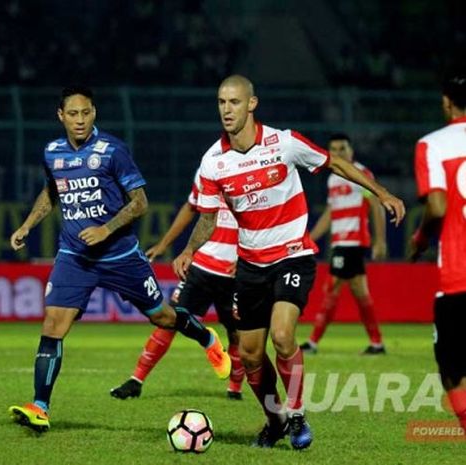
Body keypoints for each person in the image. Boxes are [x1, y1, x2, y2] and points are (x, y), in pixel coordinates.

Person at [173, 75, 405, 449]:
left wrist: (381, 193)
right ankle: (275, 418)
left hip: (292, 256)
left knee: (282, 336)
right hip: (250, 265)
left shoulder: (285, 143)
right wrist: (188, 250)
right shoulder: (214, 162)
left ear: (252, 104)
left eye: (234, 102)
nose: (226, 110)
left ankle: (297, 415)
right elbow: (208, 217)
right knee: (249, 356)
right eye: (221, 102)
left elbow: (337, 164)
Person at [7, 86, 230, 433]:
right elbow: (53, 191)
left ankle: (206, 339)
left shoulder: (112, 150)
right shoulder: (52, 153)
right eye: (73, 114)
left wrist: (105, 229)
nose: (80, 120)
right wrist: (27, 225)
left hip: (120, 254)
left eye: (86, 113)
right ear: (61, 116)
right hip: (75, 255)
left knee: (163, 318)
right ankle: (40, 405)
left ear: (93, 113)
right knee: (53, 325)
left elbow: (140, 202)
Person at [110, 168, 245, 400]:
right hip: (200, 267)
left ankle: (234, 389)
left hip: (235, 271)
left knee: (237, 333)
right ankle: (136, 380)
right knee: (170, 321)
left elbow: (262, 220)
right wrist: (164, 244)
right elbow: (190, 207)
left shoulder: (251, 170)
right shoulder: (209, 168)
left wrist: (247, 257)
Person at [410, 71, 466, 435]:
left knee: (451, 368)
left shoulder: (432, 145)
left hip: (459, 276)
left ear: (446, 103)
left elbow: (438, 204)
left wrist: (421, 237)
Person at [299, 134, 387, 355]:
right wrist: (309, 238)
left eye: (342, 148)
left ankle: (313, 342)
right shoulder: (333, 179)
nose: (338, 153)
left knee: (333, 286)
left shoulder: (362, 174)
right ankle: (376, 343)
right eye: (334, 150)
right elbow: (330, 213)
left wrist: (380, 240)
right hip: (340, 242)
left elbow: (375, 205)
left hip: (354, 241)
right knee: (357, 290)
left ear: (351, 150)